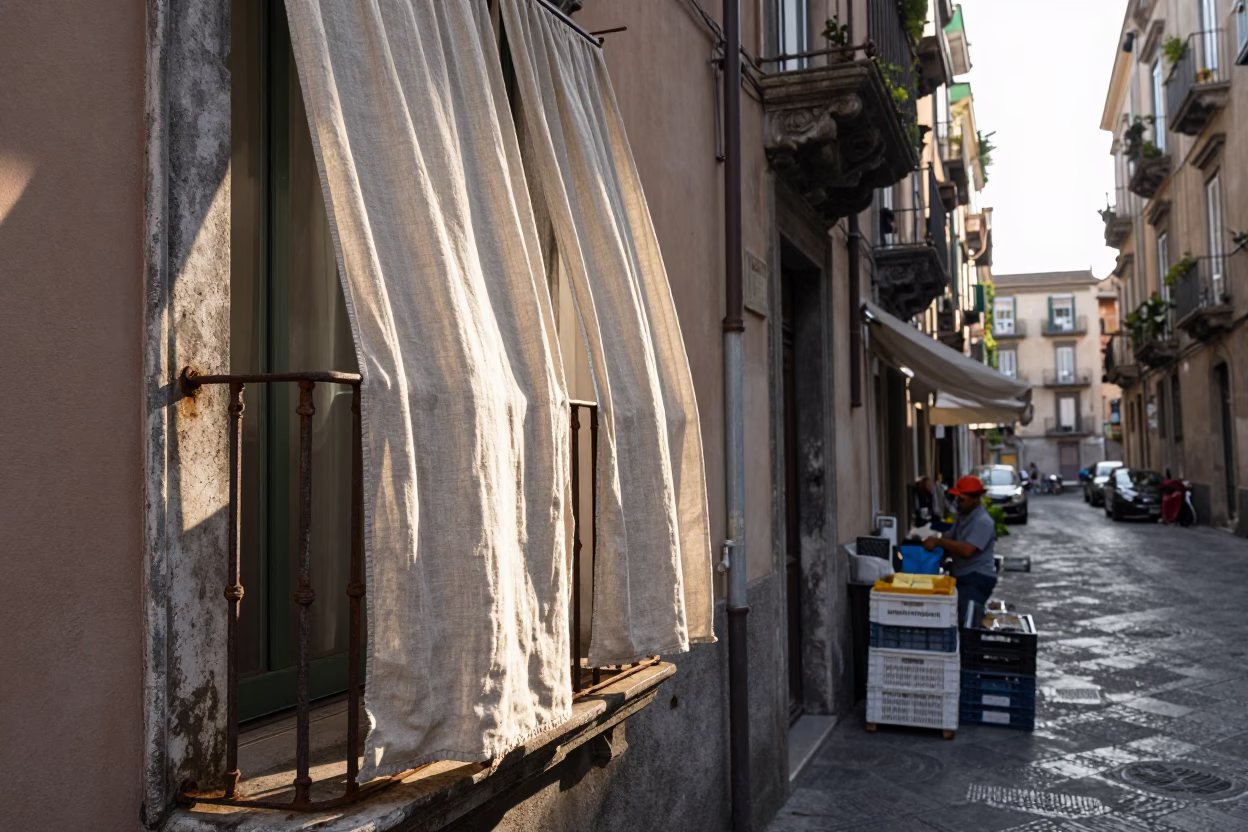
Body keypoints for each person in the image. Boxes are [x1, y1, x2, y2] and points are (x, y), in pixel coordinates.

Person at [921, 474, 997, 623]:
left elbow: (966, 550)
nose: (958, 503)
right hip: (963, 575)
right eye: (957, 499)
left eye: (962, 499)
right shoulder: (963, 515)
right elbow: (951, 537)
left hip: (976, 578)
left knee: (968, 623)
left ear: (975, 499)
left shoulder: (983, 522)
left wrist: (938, 542)